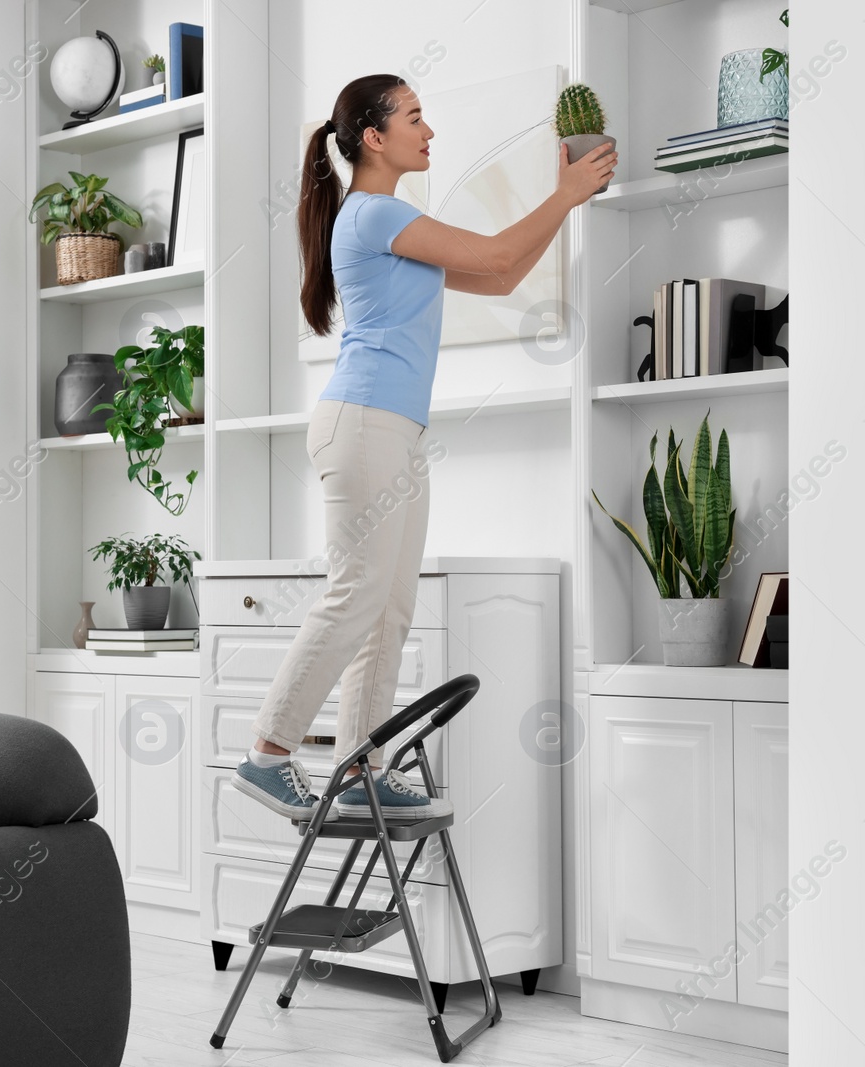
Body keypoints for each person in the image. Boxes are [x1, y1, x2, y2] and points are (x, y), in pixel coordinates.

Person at [230, 73, 616, 822]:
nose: (428, 130)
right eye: (414, 118)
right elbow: (501, 257)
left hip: (392, 430)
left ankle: (360, 767)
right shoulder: (373, 214)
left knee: (389, 609)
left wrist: (566, 200)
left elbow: (503, 273)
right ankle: (266, 755)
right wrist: (565, 194)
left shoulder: (391, 222)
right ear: (374, 139)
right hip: (363, 422)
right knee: (358, 593)